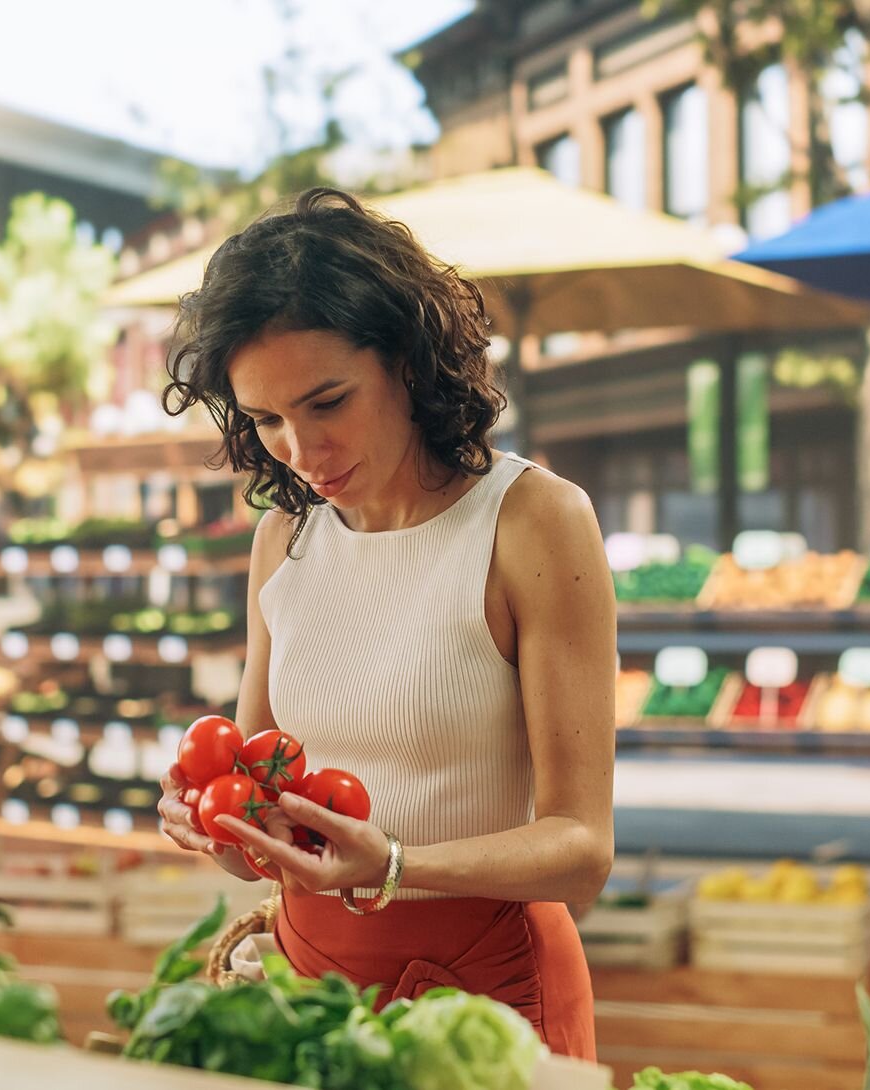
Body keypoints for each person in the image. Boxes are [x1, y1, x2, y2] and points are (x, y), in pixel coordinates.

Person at [154, 188, 615, 1060]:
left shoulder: (534, 522)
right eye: (266, 419)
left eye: (328, 401)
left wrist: (396, 865)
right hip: (309, 991)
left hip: (490, 1003)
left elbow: (580, 851)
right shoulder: (282, 539)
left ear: (407, 360)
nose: (300, 449)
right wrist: (209, 820)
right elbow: (255, 833)